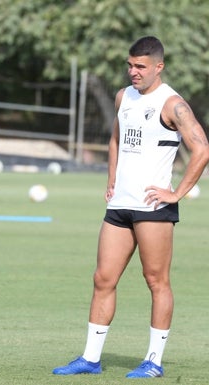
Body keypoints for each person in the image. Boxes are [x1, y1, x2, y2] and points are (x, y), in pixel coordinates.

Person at [53, 36, 209, 378]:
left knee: (156, 281)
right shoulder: (124, 96)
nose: (133, 71)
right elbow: (116, 139)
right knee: (102, 278)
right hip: (120, 206)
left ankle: (153, 360)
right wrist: (112, 179)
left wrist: (176, 193)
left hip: (154, 209)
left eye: (140, 66)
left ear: (158, 66)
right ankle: (90, 359)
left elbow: (202, 150)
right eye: (130, 65)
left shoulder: (173, 104)